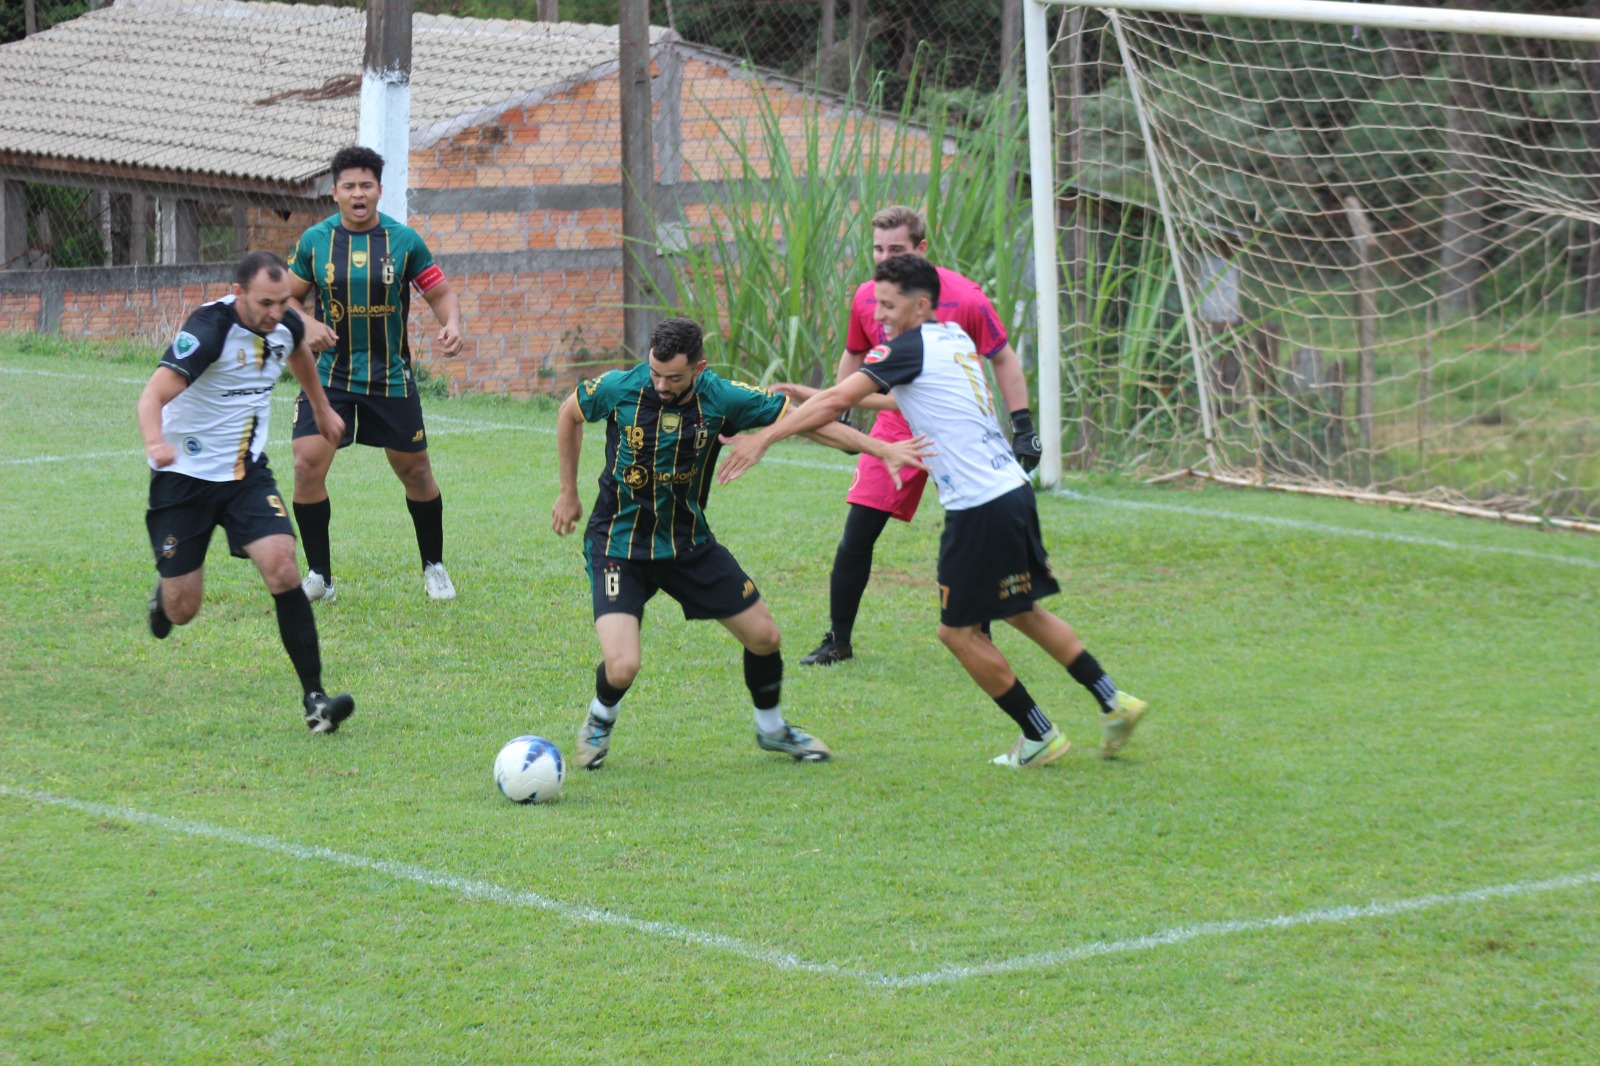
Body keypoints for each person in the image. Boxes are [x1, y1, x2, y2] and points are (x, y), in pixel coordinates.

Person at [718, 255, 1148, 764]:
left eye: (888, 305)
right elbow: (897, 400)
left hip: (979, 507)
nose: (878, 315)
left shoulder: (907, 347)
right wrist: (811, 395)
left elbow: (838, 402)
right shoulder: (952, 338)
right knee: (1020, 611)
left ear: (921, 305)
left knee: (957, 633)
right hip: (1011, 490)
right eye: (876, 304)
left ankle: (1040, 736)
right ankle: (1113, 701)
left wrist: (764, 437)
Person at [550, 317, 928, 770]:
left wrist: (879, 448)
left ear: (700, 367)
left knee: (765, 636)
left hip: (688, 544)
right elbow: (569, 413)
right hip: (618, 545)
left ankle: (772, 730)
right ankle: (600, 718)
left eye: (674, 377)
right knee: (622, 666)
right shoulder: (619, 387)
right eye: (655, 373)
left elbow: (805, 421)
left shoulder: (723, 396)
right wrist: (568, 492)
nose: (662, 386)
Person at [776, 206, 1040, 667]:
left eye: (895, 249)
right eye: (877, 249)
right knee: (858, 529)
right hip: (895, 424)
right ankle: (838, 640)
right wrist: (843, 414)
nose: (884, 259)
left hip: (954, 428)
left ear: (921, 248)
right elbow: (854, 353)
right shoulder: (869, 296)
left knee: (973, 526)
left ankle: (978, 634)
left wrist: (1023, 427)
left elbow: (1001, 356)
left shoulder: (966, 297)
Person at [137, 251, 357, 734]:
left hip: (244, 474)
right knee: (183, 608)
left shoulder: (283, 321)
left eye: (283, 301)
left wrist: (321, 409)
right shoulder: (209, 331)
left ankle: (316, 700)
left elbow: (297, 349)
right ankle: (166, 596)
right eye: (265, 303)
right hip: (184, 479)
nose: (276, 313)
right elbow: (152, 395)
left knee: (282, 565)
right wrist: (155, 444)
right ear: (239, 293)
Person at [287, 145, 466, 604]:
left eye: (366, 185)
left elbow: (440, 293)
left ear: (379, 191)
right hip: (329, 376)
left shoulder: (404, 241)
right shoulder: (314, 241)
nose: (358, 194)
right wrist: (304, 323)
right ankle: (320, 577)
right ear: (335, 192)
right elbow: (286, 299)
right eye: (349, 186)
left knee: (416, 471)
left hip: (390, 377)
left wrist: (452, 322)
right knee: (306, 466)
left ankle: (434, 566)